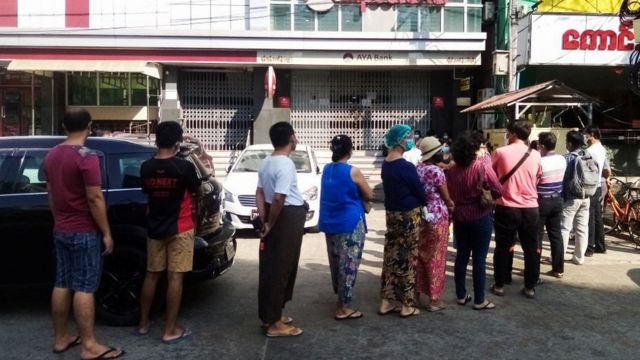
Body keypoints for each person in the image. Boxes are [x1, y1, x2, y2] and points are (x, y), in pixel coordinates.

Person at [43, 109, 125, 359]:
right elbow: (94, 197)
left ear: (63, 126)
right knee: (85, 287)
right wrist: (106, 232)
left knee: (62, 283)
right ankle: (89, 346)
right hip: (84, 230)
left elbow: (51, 196)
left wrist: (60, 222)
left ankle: (61, 338)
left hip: (62, 229)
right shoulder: (87, 157)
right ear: (89, 126)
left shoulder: (51, 155)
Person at [138, 121, 201, 344]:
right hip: (180, 227)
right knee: (175, 278)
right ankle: (170, 329)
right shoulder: (183, 167)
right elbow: (197, 189)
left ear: (156, 140)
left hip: (154, 227)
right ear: (177, 141)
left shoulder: (146, 167)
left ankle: (144, 324)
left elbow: (148, 193)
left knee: (152, 274)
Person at [255, 122, 307, 337]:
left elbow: (259, 192)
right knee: (281, 268)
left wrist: (264, 218)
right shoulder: (285, 164)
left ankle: (272, 314)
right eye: (295, 135)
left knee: (272, 266)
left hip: (276, 216)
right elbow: (279, 197)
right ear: (291, 138)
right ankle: (274, 323)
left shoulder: (267, 161)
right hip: (286, 218)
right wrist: (270, 223)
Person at [319, 135, 374, 320]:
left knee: (336, 262)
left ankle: (341, 299)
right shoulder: (353, 171)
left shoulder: (327, 169)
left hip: (330, 222)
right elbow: (369, 194)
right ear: (350, 151)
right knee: (349, 264)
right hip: (349, 224)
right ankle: (344, 307)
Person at [447, 131, 502, 310]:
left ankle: (461, 295)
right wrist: (486, 195)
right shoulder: (481, 167)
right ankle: (480, 299)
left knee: (461, 255)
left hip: (460, 217)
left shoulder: (452, 169)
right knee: (479, 258)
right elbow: (498, 189)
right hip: (480, 216)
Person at [378, 124, 426, 318]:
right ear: (399, 141)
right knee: (407, 258)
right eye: (409, 137)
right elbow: (420, 193)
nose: (411, 140)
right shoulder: (406, 167)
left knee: (391, 256)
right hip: (408, 216)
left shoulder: (386, 164)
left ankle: (386, 301)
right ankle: (407, 304)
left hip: (392, 215)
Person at [491, 120, 542, 299]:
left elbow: (491, 176)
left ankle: (499, 285)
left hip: (506, 207)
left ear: (512, 133)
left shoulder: (500, 152)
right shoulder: (535, 155)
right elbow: (538, 178)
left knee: (503, 246)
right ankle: (530, 287)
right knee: (531, 248)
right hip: (530, 208)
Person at [415, 136, 454, 312]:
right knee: (436, 259)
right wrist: (452, 205)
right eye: (440, 151)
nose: (442, 152)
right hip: (438, 217)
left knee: (421, 255)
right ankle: (434, 300)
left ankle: (416, 294)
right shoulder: (436, 172)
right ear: (433, 153)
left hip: (422, 216)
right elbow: (446, 197)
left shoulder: (418, 169)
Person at [536, 132, 567, 279]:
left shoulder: (540, 162)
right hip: (557, 200)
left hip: (541, 201)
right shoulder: (562, 159)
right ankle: (558, 269)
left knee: (538, 236)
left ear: (542, 146)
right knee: (556, 235)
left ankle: (534, 269)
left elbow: (535, 181)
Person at [560, 131, 591, 265]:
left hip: (571, 198)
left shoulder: (567, 158)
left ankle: (558, 258)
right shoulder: (588, 155)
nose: (566, 144)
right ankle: (579, 258)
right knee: (582, 228)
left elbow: (562, 178)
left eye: (567, 142)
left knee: (564, 228)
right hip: (587, 196)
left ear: (570, 144)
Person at [583, 126, 607, 255]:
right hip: (598, 185)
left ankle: (590, 247)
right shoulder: (602, 149)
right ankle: (601, 245)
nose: (584, 137)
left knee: (590, 217)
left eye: (585, 134)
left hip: (589, 187)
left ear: (591, 135)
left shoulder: (590, 151)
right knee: (597, 216)